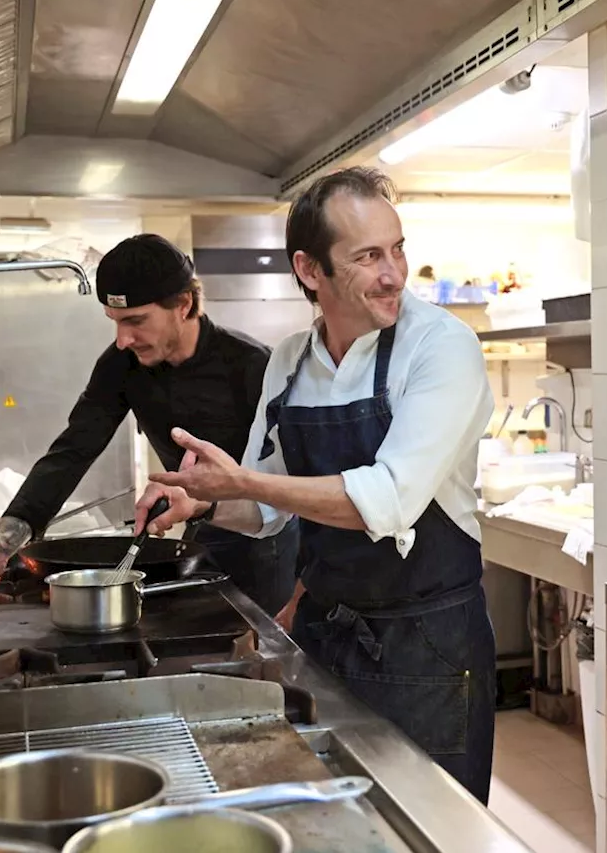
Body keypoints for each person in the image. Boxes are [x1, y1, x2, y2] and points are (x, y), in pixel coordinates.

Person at [145, 166, 498, 804]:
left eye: (397, 249)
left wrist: (242, 481)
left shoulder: (441, 348)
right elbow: (265, 510)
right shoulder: (290, 362)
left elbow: (386, 502)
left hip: (426, 648)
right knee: (334, 818)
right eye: (367, 256)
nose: (393, 273)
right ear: (310, 270)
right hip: (326, 636)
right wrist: (201, 502)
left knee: (429, 826)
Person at [0, 234, 299, 616]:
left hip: (269, 538)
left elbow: (297, 475)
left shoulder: (252, 365)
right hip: (199, 529)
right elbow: (72, 450)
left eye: (136, 321)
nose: (122, 339)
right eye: (115, 322)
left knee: (260, 641)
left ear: (183, 304)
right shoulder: (122, 366)